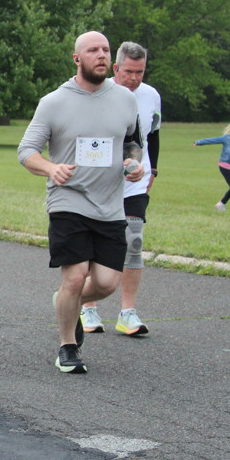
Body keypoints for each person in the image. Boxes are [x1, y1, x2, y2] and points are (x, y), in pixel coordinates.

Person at [17, 31, 144, 374]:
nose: (101, 55)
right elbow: (26, 151)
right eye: (92, 50)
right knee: (74, 278)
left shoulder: (125, 99)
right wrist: (51, 168)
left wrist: (133, 162)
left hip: (110, 205)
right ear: (77, 59)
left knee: (106, 283)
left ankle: (66, 301)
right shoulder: (54, 102)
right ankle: (67, 347)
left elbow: (132, 141)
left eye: (105, 49)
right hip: (68, 201)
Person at [80, 41, 162, 337]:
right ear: (116, 68)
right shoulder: (98, 92)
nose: (134, 78)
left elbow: (153, 135)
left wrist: (153, 169)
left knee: (134, 241)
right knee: (95, 244)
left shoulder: (151, 95)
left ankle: (127, 313)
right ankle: (87, 306)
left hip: (136, 182)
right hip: (100, 183)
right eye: (128, 72)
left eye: (140, 72)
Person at [195, 117, 230, 213]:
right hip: (224, 165)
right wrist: (199, 142)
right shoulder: (228, 138)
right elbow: (213, 140)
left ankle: (221, 204)